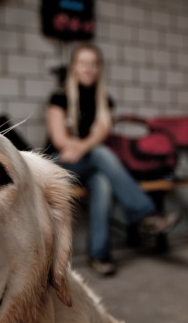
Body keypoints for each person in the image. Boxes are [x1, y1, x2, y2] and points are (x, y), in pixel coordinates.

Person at [46, 43, 179, 277]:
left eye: (93, 64)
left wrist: (84, 145)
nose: (88, 68)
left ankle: (99, 255)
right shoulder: (59, 98)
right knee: (101, 154)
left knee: (103, 181)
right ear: (74, 68)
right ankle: (144, 214)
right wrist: (86, 146)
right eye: (82, 63)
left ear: (99, 68)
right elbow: (60, 141)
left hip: (90, 163)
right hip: (60, 163)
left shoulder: (105, 100)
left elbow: (102, 133)